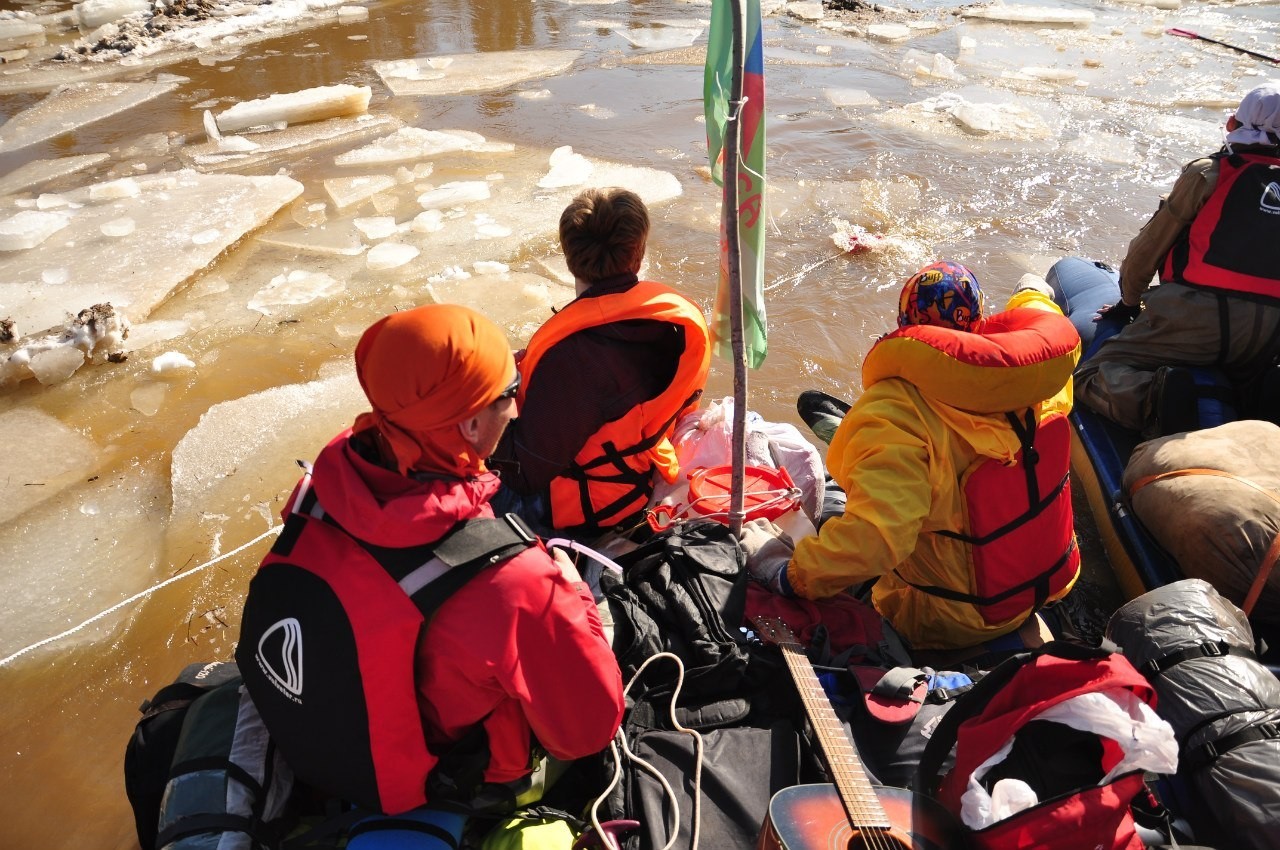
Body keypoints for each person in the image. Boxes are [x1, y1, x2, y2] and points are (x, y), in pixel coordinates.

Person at [237, 304, 624, 829]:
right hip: (435, 779)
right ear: (468, 423)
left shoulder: (322, 490)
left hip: (320, 738)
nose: (517, 406)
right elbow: (586, 732)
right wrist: (577, 596)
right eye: (510, 391)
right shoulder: (520, 582)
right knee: (608, 624)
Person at [743, 261, 1083, 652]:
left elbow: (877, 540)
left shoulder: (894, 414)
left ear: (907, 325)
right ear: (980, 323)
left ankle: (851, 439)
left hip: (945, 618)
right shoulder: (1042, 382)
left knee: (840, 507)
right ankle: (853, 439)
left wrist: (789, 576)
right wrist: (1032, 294)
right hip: (1045, 586)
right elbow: (1041, 312)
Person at [490, 187, 710, 538]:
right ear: (637, 255)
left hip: (581, 508)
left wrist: (494, 392)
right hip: (634, 479)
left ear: (568, 257)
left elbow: (523, 474)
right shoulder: (672, 324)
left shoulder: (573, 357)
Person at [1074, 82, 1280, 437]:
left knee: (1088, 377)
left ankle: (1153, 398)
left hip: (1194, 317)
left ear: (1234, 124)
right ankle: (1260, 402)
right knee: (1252, 374)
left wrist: (1128, 301)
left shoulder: (1208, 173)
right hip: (1269, 331)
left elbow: (1149, 248)